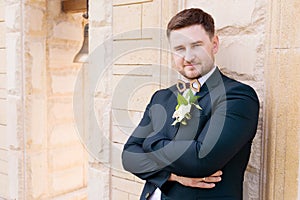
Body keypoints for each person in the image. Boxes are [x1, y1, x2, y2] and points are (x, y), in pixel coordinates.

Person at [122, 8, 259, 200]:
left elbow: (200, 160)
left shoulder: (237, 97)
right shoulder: (161, 97)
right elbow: (129, 156)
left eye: (196, 45)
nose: (188, 57)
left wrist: (150, 141)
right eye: (179, 48)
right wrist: (171, 176)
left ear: (214, 44)